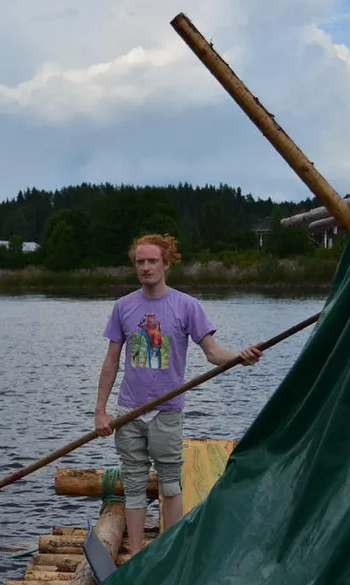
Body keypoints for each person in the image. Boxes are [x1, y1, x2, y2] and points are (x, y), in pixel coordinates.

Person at [94, 233, 262, 556]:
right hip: (128, 411)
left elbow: (212, 353)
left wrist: (240, 356)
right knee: (133, 484)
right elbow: (111, 361)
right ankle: (139, 555)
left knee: (170, 483)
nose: (145, 268)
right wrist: (101, 412)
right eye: (140, 262)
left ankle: (169, 553)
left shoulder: (187, 306)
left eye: (152, 261)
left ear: (166, 263)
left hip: (167, 412)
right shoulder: (123, 307)